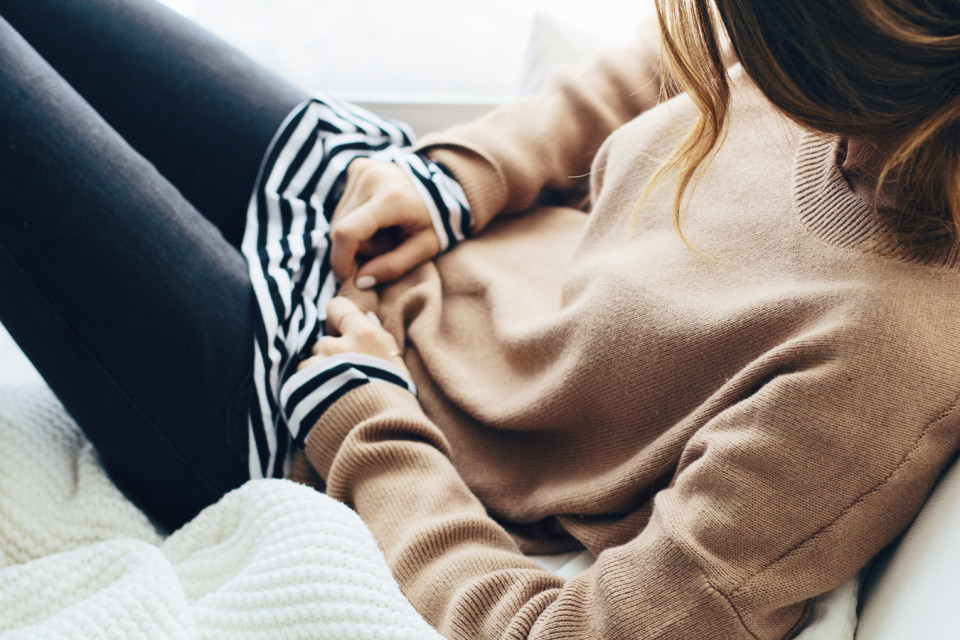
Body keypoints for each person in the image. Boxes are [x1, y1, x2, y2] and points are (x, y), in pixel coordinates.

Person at [0, 1, 958, 640]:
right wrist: (461, 176)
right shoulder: (872, 54)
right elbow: (694, 54)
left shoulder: (881, 373)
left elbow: (562, 633)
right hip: (392, 237)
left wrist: (368, 425)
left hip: (302, 397)